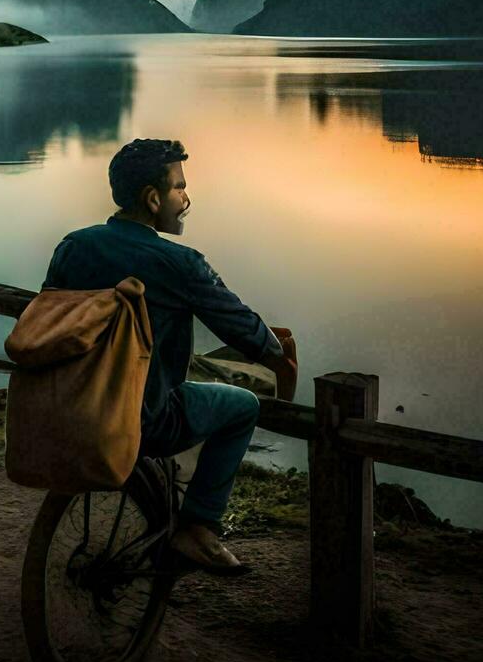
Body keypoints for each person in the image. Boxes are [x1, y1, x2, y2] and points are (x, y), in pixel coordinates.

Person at [43, 138, 296, 574]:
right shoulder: (180, 263)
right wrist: (280, 353)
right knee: (242, 408)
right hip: (143, 419)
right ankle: (198, 528)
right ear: (153, 198)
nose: (186, 199)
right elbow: (241, 327)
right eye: (179, 188)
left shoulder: (73, 245)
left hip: (71, 405)